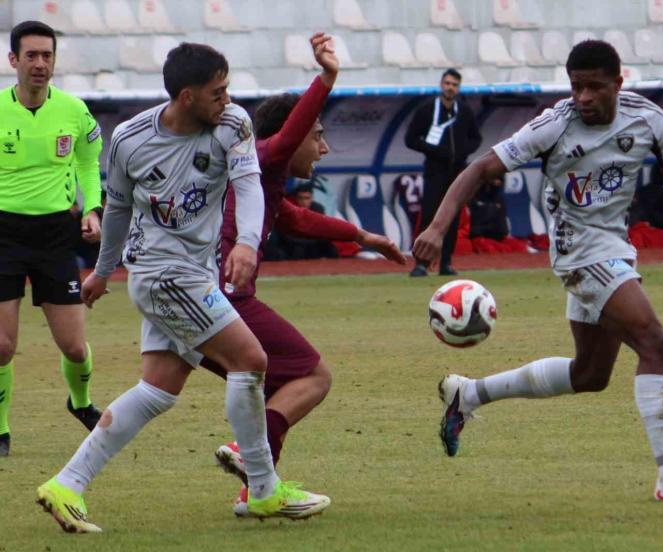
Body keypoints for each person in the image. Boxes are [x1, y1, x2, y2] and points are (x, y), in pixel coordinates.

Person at [413, 40, 663, 501]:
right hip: (578, 251)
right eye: (576, 87)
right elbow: (479, 169)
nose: (584, 97)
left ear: (618, 83)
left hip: (614, 247)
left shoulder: (648, 119)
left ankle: (469, 393)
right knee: (655, 341)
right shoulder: (555, 124)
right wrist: (437, 228)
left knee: (591, 374)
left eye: (594, 87)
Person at [35, 42, 328, 534]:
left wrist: (247, 243)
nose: (227, 99)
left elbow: (249, 186)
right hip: (163, 275)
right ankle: (263, 489)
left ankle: (66, 485)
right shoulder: (130, 139)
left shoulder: (233, 124)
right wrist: (104, 270)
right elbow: (118, 210)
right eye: (217, 92)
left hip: (193, 274)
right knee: (251, 359)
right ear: (187, 96)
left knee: (157, 391)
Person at [200, 33, 404, 516]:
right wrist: (327, 78)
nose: (324, 147)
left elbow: (296, 219)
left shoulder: (260, 178)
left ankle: (257, 493)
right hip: (224, 298)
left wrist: (363, 236)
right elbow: (287, 140)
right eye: (317, 135)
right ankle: (249, 458)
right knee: (314, 376)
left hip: (190, 300)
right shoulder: (265, 155)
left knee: (267, 388)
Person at [0, 21, 104, 458]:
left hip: (55, 235)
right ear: (14, 60)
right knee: (2, 346)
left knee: (75, 347)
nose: (40, 63)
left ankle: (80, 402)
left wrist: (92, 208)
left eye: (47, 55)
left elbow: (88, 162)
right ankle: (1, 428)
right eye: (32, 55)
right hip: (3, 234)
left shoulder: (74, 110)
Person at [406, 68, 482, 277]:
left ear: (459, 88)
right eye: (447, 83)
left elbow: (476, 138)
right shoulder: (427, 109)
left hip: (457, 172)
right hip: (434, 171)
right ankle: (421, 263)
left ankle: (446, 263)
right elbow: (410, 139)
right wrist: (434, 150)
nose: (450, 88)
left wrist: (463, 152)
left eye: (454, 85)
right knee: (429, 216)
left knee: (453, 217)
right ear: (441, 85)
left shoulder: (464, 111)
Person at [266, 182, 339, 260]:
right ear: (296, 198)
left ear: (312, 198)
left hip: (312, 243)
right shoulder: (290, 210)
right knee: (296, 249)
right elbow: (286, 235)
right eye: (300, 198)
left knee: (331, 248)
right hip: (294, 244)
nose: (303, 201)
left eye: (307, 198)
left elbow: (321, 231)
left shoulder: (318, 209)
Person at [468, 176, 509, 241]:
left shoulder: (498, 197)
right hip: (477, 233)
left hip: (495, 234)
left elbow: (503, 229)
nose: (496, 182)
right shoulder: (472, 195)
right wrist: (492, 208)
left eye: (499, 180)